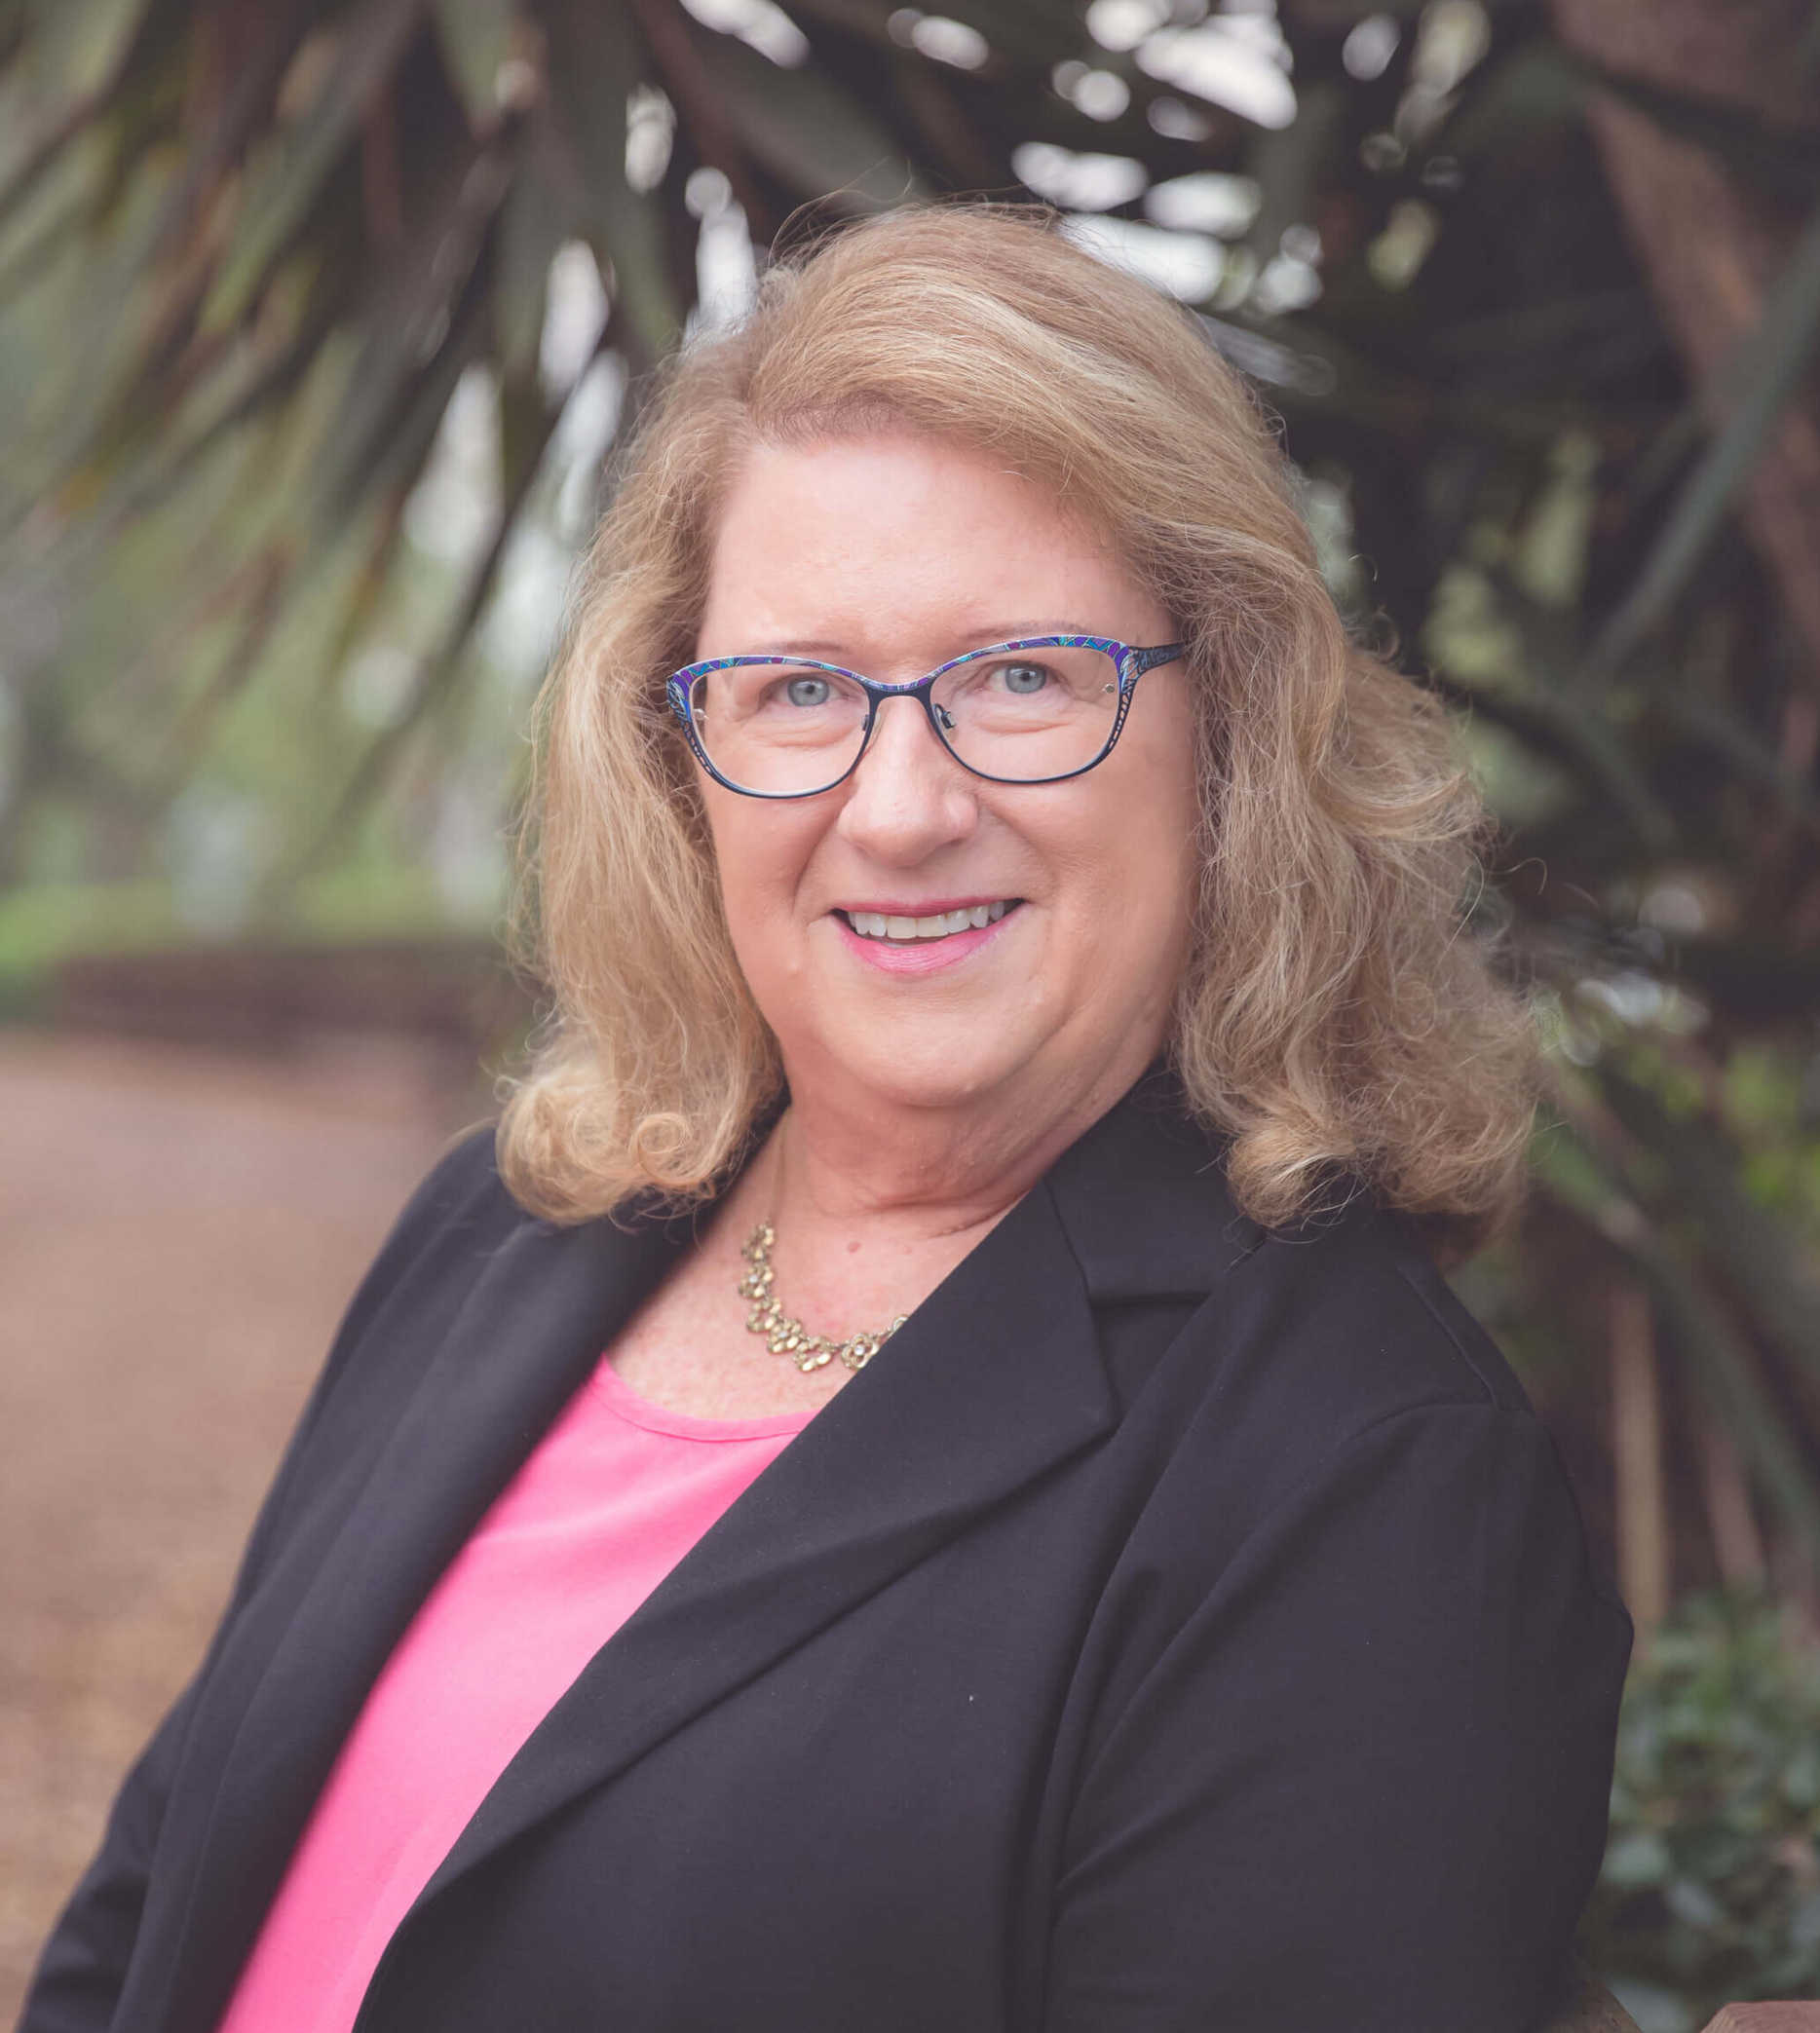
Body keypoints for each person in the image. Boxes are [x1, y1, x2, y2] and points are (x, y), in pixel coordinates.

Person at [21, 204, 1630, 2033]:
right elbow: (156, 1901)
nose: (899, 804)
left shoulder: (1365, 1478)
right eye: (798, 691)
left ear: (1235, 732)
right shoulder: (506, 1229)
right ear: (675, 758)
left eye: (1024, 676)